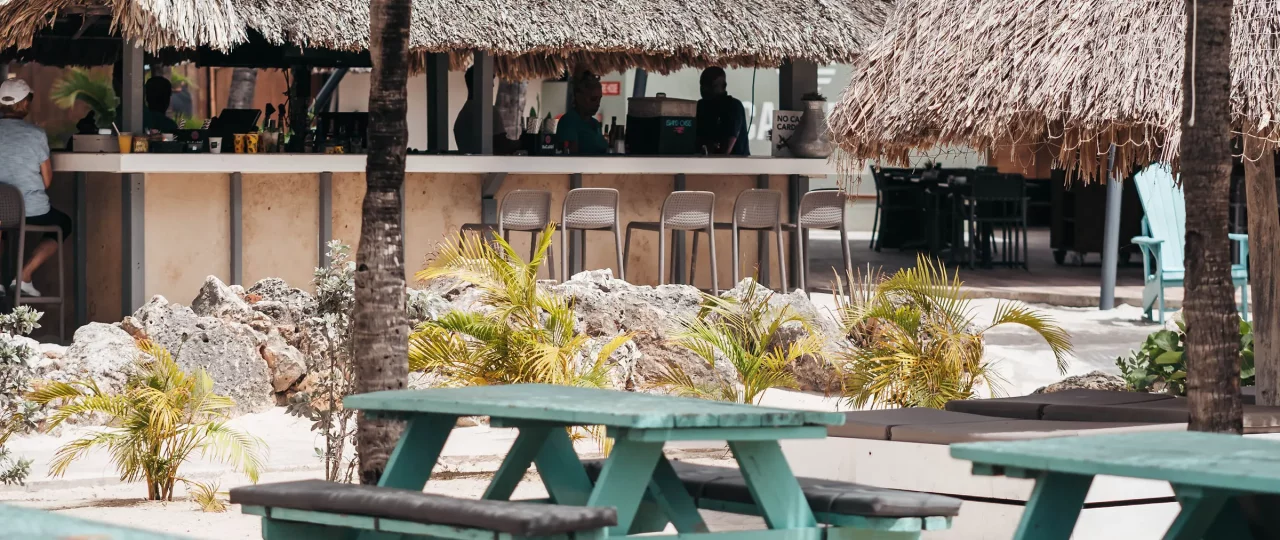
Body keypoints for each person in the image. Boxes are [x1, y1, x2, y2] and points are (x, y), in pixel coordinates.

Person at [0, 79, 72, 297]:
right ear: (23, 104)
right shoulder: (36, 135)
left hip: (1, 212)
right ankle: (25, 274)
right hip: (32, 212)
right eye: (29, 100)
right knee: (64, 223)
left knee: (2, 225)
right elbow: (47, 181)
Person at [453, 67, 517, 154]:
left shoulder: (464, 114)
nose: (493, 85)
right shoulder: (489, 112)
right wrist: (523, 142)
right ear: (481, 84)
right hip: (487, 166)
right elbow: (501, 145)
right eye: (490, 82)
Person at [696, 67, 750, 156]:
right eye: (702, 84)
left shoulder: (733, 106)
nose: (704, 89)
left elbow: (726, 149)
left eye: (710, 85)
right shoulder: (701, 106)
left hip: (735, 167)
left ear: (724, 86)